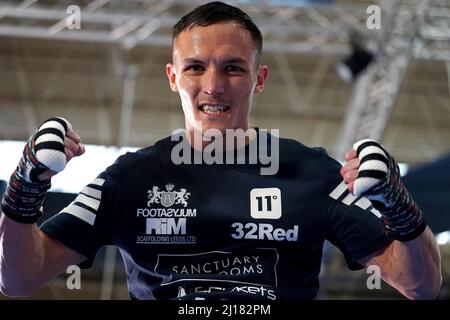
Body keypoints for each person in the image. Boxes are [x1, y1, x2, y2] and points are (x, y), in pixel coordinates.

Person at [0, 1, 441, 300]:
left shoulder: (313, 174)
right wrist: (24, 189)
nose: (212, 86)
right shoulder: (129, 179)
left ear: (259, 78)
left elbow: (420, 284)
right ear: (173, 77)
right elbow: (18, 279)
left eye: (232, 68)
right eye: (195, 67)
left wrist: (398, 206)